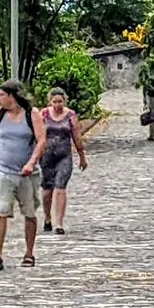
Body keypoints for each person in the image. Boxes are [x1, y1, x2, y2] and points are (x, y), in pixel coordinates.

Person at [0, 81, 46, 270]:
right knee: (0, 211)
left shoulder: (31, 114)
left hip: (28, 174)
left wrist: (31, 162)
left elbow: (42, 141)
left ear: (13, 95)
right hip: (4, 171)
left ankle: (29, 253)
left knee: (29, 212)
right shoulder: (0, 115)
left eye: (2, 95)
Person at [37, 85, 89, 234]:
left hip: (64, 155)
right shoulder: (44, 115)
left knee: (60, 187)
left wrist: (82, 157)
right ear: (50, 102)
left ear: (64, 101)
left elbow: (77, 137)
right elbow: (37, 135)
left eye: (60, 101)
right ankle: (47, 218)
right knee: (47, 189)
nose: (57, 105)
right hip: (47, 157)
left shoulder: (70, 115)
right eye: (54, 102)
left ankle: (59, 223)